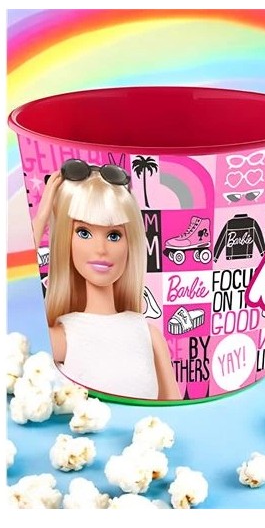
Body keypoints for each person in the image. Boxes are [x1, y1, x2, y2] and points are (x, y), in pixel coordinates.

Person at [32, 159, 181, 401]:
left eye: (113, 235)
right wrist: (41, 219)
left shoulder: (149, 334)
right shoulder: (63, 337)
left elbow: (177, 409)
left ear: (130, 243)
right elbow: (11, 328)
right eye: (84, 233)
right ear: (66, 241)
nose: (101, 249)